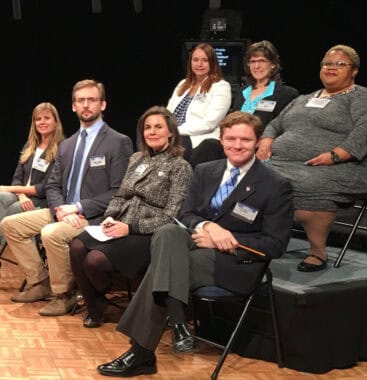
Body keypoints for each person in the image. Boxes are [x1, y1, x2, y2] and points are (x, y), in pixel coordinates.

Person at [97, 112, 292, 377]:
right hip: (191, 245)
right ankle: (177, 324)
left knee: (161, 268)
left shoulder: (275, 185)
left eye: (245, 139)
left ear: (257, 142)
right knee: (167, 232)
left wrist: (226, 240)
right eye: (231, 139)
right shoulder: (205, 171)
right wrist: (208, 227)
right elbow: (186, 215)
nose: (237, 145)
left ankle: (144, 351)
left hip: (234, 261)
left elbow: (275, 244)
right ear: (221, 140)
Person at [0, 79, 133, 316]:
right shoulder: (67, 144)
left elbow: (118, 191)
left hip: (94, 215)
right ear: (73, 107)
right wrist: (61, 208)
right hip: (62, 211)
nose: (86, 105)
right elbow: (52, 185)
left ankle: (65, 295)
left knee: (51, 233)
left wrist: (78, 207)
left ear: (103, 104)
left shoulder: (118, 142)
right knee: (10, 225)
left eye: (91, 100)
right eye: (81, 101)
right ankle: (40, 282)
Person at [257, 44, 367, 272]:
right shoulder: (304, 99)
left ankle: (317, 251)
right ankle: (258, 239)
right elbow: (276, 123)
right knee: (248, 175)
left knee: (309, 183)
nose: (332, 67)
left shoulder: (364, 97)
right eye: (327, 63)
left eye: (340, 64)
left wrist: (337, 154)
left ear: (354, 71)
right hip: (284, 163)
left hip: (345, 166)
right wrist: (267, 139)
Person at [70, 106, 192, 328]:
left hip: (147, 232)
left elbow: (171, 216)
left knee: (94, 260)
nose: (152, 132)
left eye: (158, 127)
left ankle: (101, 301)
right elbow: (121, 195)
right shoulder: (137, 158)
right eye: (147, 127)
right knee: (77, 245)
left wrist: (130, 228)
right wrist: (109, 216)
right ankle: (95, 306)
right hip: (120, 222)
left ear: (171, 132)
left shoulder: (180, 167)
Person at [0, 102, 64, 292]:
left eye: (46, 118)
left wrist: (15, 191)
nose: (42, 122)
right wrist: (19, 194)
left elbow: (47, 187)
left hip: (42, 201)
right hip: (23, 196)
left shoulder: (61, 148)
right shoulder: (31, 146)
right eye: (38, 119)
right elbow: (17, 178)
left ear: (56, 121)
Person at [166, 43, 231, 166]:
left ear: (212, 63)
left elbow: (209, 123)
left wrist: (175, 131)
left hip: (196, 137)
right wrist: (163, 128)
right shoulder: (183, 84)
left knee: (178, 143)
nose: (199, 64)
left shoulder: (220, 86)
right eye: (195, 60)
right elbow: (168, 113)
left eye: (205, 60)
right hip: (172, 133)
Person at [227, 41, 299, 128]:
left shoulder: (287, 94)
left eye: (262, 61)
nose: (256, 66)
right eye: (253, 61)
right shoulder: (242, 91)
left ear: (273, 64)